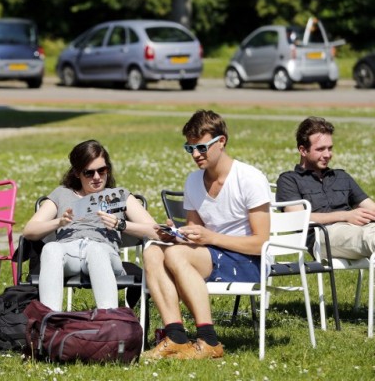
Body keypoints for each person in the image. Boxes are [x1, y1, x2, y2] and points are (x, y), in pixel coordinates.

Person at [142, 110, 271, 360]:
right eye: (190, 149)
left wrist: (209, 237)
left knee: (177, 256)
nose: (196, 155)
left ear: (221, 141)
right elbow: (193, 237)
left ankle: (209, 340)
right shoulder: (193, 181)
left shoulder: (250, 178)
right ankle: (176, 337)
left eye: (201, 147)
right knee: (153, 251)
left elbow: (261, 243)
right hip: (211, 255)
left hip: (250, 260)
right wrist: (175, 235)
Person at [22, 139, 158, 311]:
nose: (96, 177)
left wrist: (120, 224)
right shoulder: (62, 194)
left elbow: (155, 231)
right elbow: (29, 231)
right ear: (77, 173)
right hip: (69, 251)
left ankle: (109, 322)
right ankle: (50, 324)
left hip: (104, 252)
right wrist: (59, 222)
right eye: (89, 173)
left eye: (102, 170)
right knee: (51, 249)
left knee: (95, 249)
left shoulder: (118, 195)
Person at [276, 116, 375, 259]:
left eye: (330, 148)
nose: (327, 154)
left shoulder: (341, 177)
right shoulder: (289, 180)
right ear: (303, 150)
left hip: (358, 230)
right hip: (321, 236)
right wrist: (346, 216)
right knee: (369, 237)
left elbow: (371, 207)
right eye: (320, 149)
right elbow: (298, 219)